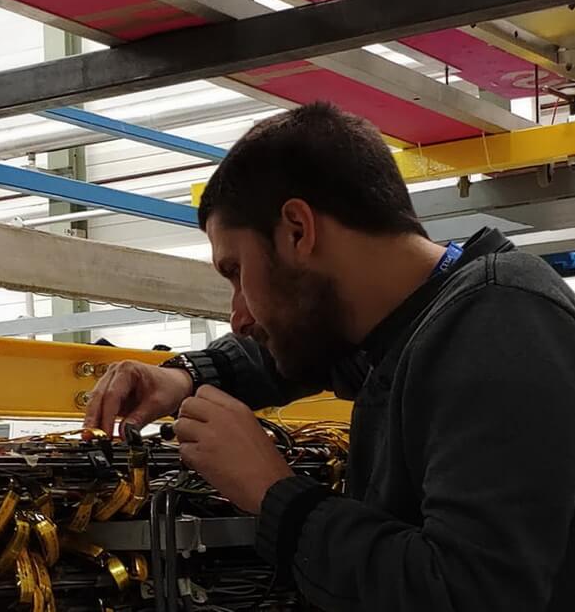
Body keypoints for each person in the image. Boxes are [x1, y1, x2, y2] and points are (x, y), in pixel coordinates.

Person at [83, 102, 575, 611]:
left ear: (298, 229)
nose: (237, 316)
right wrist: (186, 376)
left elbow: (468, 593)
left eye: (235, 272)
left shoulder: (501, 319)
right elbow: (303, 357)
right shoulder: (412, 332)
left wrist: (274, 494)